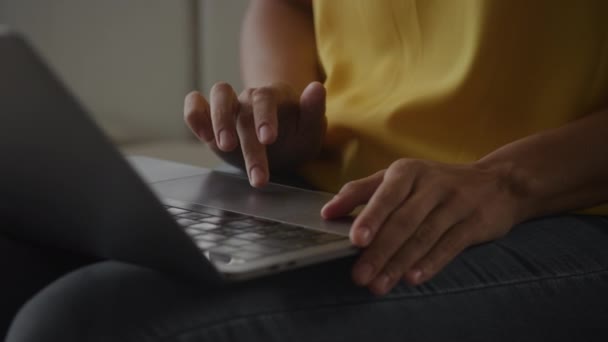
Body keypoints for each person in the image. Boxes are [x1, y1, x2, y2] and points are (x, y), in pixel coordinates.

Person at [5, 0, 608, 341]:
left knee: (81, 325)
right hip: (328, 196)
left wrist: (504, 181)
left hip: (555, 205)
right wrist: (285, 100)